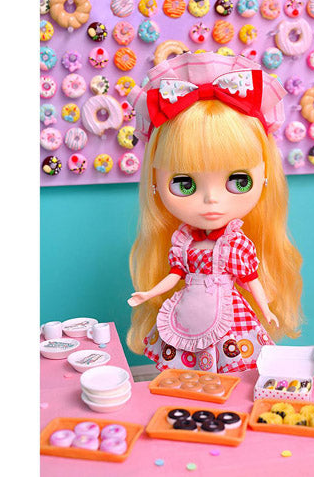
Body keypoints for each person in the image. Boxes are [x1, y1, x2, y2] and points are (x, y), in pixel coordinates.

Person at [126, 52, 302, 372]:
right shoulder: (183, 242)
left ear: (265, 177)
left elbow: (251, 280)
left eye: (238, 181)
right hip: (190, 312)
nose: (211, 200)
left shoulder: (237, 245)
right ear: (154, 182)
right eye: (185, 184)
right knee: (188, 372)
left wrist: (266, 308)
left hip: (229, 312)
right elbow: (174, 275)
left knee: (231, 364)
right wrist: (148, 293)